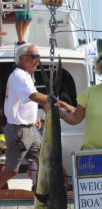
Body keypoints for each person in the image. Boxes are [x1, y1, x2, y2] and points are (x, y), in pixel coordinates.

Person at [0, 43, 67, 189]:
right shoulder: (20, 76)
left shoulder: (24, 76)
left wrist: (34, 118)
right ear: (23, 59)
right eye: (34, 56)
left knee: (44, 160)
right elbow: (34, 96)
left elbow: (25, 101)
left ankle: (45, 191)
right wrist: (59, 103)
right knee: (12, 170)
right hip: (20, 131)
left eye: (38, 56)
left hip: (30, 128)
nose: (38, 60)